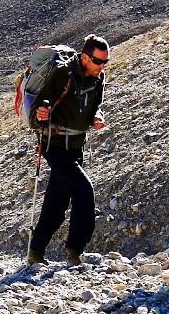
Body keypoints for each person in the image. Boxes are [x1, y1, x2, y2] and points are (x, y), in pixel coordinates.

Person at [26, 35, 109, 267]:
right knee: (84, 191)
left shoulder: (98, 78)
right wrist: (40, 115)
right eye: (98, 61)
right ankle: (75, 251)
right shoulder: (63, 74)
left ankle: (36, 251)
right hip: (55, 145)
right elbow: (37, 111)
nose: (102, 67)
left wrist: (96, 117)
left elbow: (95, 107)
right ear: (84, 57)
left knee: (57, 201)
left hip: (76, 146)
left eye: (105, 62)